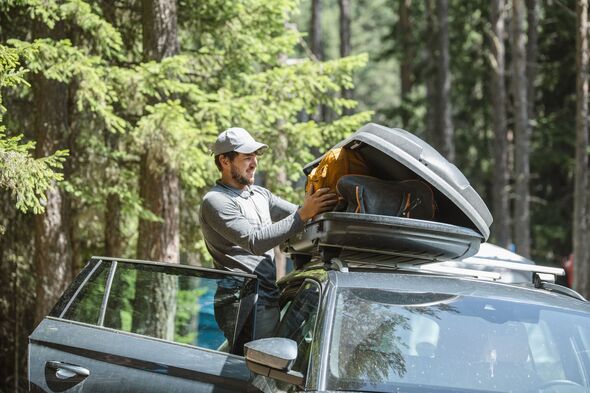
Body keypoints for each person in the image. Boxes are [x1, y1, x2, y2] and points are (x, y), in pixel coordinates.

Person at [199, 127, 336, 353]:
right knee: (255, 371)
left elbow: (302, 216)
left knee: (265, 364)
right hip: (243, 302)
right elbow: (256, 241)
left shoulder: (260, 195)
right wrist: (303, 214)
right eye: (247, 158)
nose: (254, 163)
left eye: (255, 157)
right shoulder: (215, 201)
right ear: (224, 160)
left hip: (267, 294)